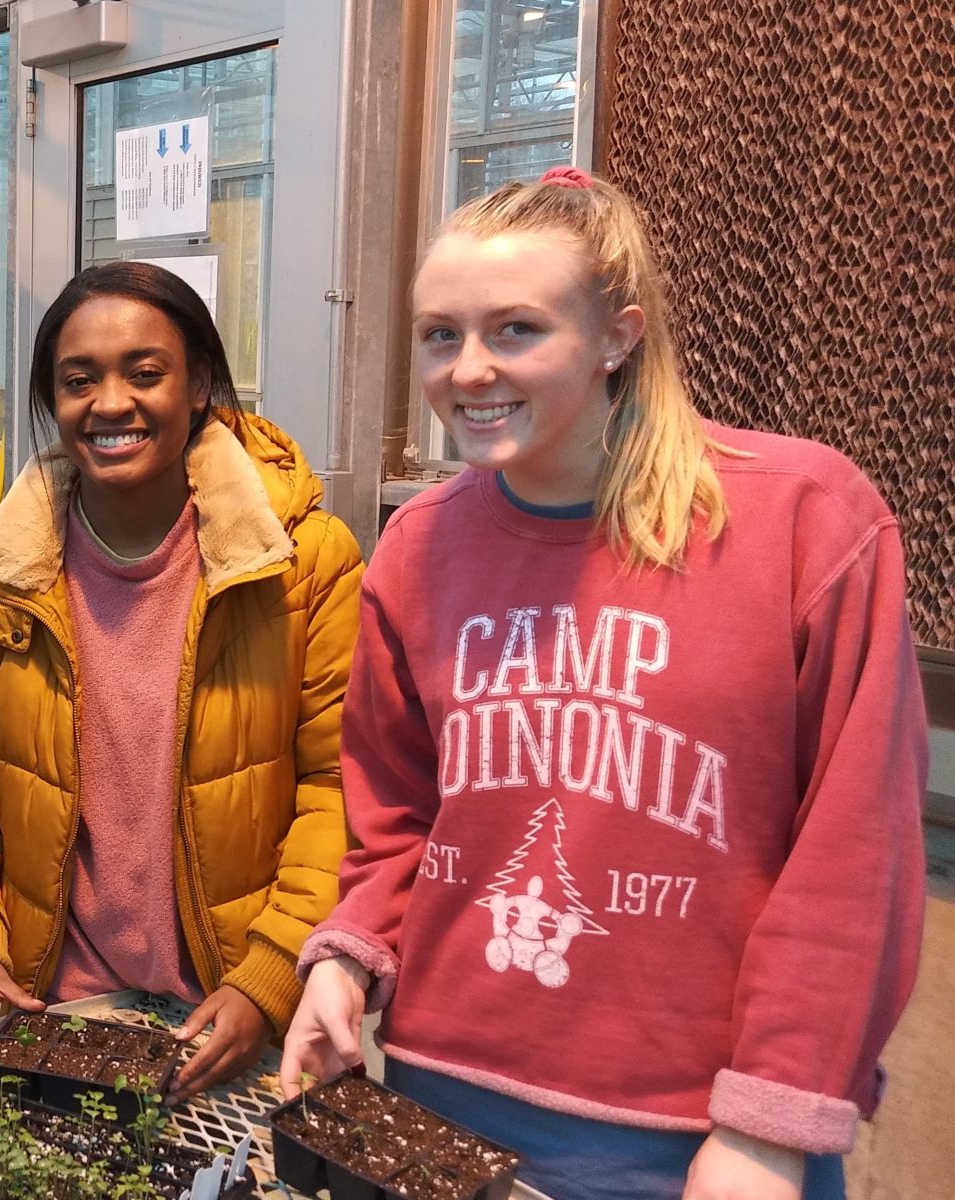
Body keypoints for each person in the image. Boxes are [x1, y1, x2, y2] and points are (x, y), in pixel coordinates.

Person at [284, 167, 927, 1200]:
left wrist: (771, 1119)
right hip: (440, 1094)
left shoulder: (805, 519)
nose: (467, 369)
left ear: (617, 336)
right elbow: (395, 809)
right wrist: (345, 957)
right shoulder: (415, 549)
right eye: (438, 335)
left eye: (515, 330)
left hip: (694, 1126)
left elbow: (854, 859)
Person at [0, 261, 363, 1102]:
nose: (110, 402)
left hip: (228, 1020)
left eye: (145, 373)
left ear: (198, 390)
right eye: (78, 380)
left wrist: (268, 978)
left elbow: (338, 791)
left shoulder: (302, 566)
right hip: (53, 1010)